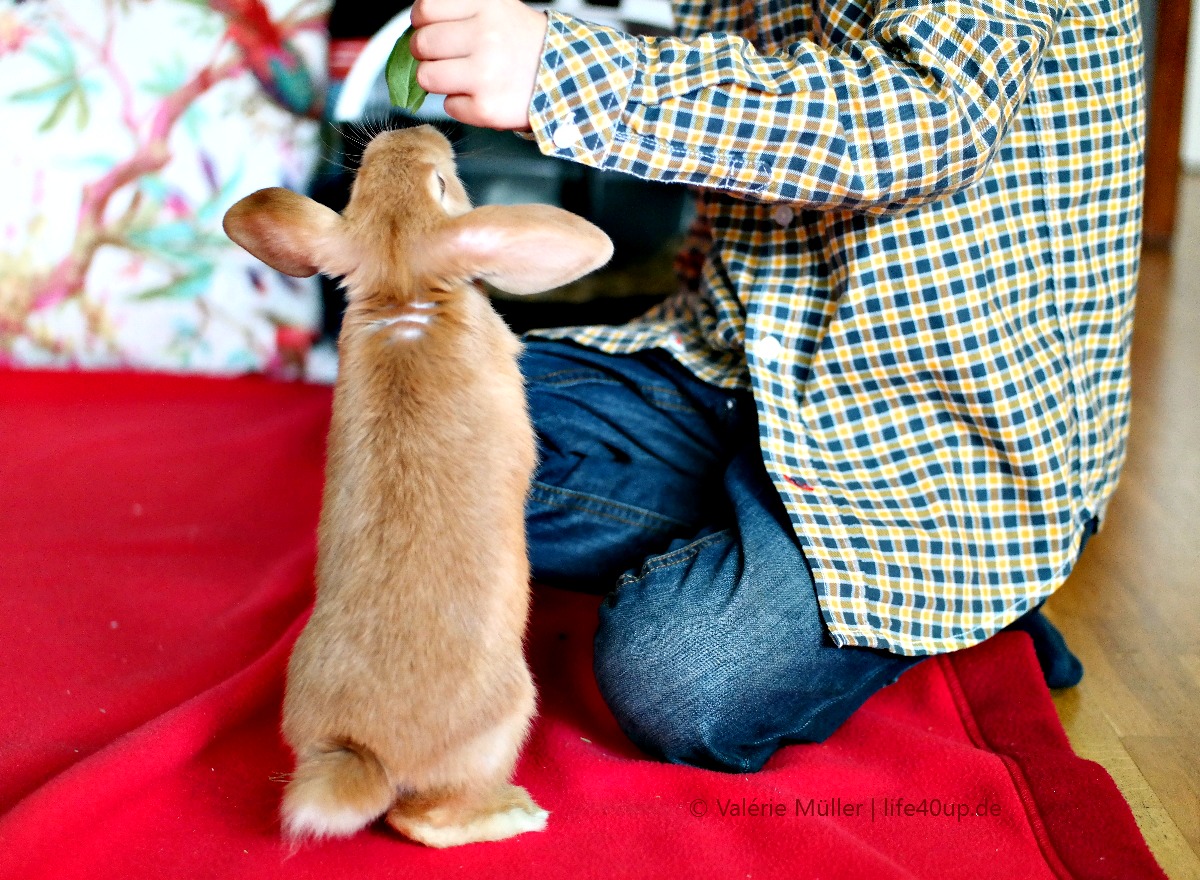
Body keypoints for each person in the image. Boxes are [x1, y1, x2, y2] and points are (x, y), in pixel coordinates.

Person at [406, 0, 1145, 772]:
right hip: (737, 360)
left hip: (934, 437)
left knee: (675, 676)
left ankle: (957, 588)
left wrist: (564, 71)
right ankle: (773, 559)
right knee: (425, 426)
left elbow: (931, 114)